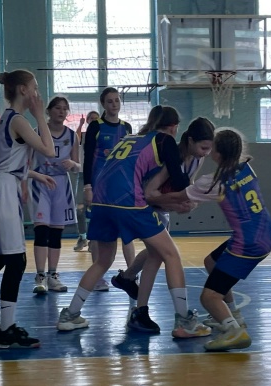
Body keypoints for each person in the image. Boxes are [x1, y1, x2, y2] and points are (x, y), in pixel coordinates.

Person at [57, 105, 211, 339]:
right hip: (128, 200)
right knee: (171, 254)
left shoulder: (132, 138)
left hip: (101, 199)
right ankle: (184, 320)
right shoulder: (165, 141)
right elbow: (179, 182)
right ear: (174, 127)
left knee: (104, 260)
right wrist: (195, 194)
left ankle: (70, 314)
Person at [148, 127, 271, 351]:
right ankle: (233, 314)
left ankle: (234, 331)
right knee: (211, 262)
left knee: (209, 297)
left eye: (212, 147)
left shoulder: (215, 182)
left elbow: (179, 196)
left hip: (247, 243)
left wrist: (152, 197)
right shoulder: (246, 167)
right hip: (264, 233)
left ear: (218, 153)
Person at [0, 69, 56, 349]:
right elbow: (49, 150)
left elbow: (8, 162)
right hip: (2, 192)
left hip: (0, 187)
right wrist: (40, 116)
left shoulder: (7, 119)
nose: (38, 93)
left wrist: (34, 176)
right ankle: (6, 330)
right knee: (16, 260)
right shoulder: (18, 120)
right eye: (35, 87)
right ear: (23, 90)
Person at [111, 117, 215, 332]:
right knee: (164, 255)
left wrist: (187, 202)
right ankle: (171, 315)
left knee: (156, 254)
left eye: (209, 149)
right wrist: (177, 203)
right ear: (190, 140)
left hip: (160, 208)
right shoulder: (172, 158)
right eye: (203, 148)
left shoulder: (196, 159)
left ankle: (128, 282)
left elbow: (186, 190)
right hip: (144, 207)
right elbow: (149, 194)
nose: (206, 153)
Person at [82, 87, 135, 291]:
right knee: (99, 234)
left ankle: (131, 275)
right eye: (110, 101)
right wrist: (88, 186)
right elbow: (88, 159)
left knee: (127, 232)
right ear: (103, 104)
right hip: (99, 187)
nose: (114, 104)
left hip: (121, 187)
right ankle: (98, 278)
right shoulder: (96, 126)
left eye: (117, 100)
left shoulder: (127, 128)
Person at [29, 96, 80, 294]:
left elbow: (78, 166)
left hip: (61, 185)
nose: (61, 111)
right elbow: (26, 163)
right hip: (40, 182)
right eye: (57, 108)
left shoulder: (72, 136)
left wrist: (73, 164)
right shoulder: (37, 132)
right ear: (48, 111)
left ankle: (53, 275)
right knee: (41, 230)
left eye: (65, 109)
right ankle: (40, 276)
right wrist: (25, 185)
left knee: (56, 232)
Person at [72, 110, 100, 252]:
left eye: (96, 118)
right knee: (79, 208)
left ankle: (94, 240)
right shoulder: (83, 135)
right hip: (83, 175)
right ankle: (83, 237)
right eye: (91, 118)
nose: (93, 120)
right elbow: (75, 140)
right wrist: (80, 124)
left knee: (96, 209)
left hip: (97, 176)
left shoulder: (101, 136)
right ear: (88, 120)